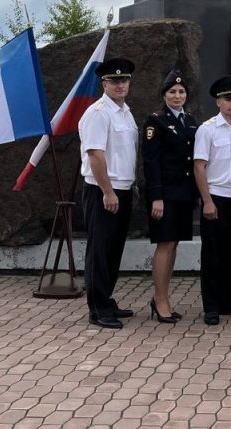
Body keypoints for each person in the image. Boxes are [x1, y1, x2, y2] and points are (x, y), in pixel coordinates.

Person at [79, 57, 139, 329]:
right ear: (104, 83)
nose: (120, 85)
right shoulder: (98, 112)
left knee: (114, 250)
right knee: (100, 251)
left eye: (124, 80)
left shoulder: (125, 112)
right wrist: (107, 191)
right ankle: (97, 308)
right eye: (114, 81)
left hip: (122, 189)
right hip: (103, 190)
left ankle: (106, 297)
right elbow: (95, 154)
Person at [192, 75, 231, 326]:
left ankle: (229, 301)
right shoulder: (207, 129)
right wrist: (206, 201)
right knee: (212, 255)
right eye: (228, 98)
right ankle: (211, 306)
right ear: (218, 101)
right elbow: (199, 167)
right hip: (215, 197)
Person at [141, 69, 199, 324]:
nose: (177, 95)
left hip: (184, 193)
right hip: (164, 195)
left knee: (174, 244)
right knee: (164, 244)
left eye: (181, 91)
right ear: (164, 95)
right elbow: (151, 162)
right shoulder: (156, 122)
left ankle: (163, 297)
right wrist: (156, 196)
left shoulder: (191, 120)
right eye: (172, 92)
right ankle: (160, 299)